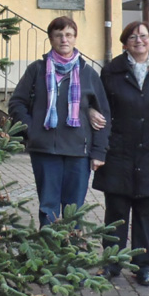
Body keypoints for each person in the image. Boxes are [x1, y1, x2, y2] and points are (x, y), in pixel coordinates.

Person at [89, 21, 149, 286]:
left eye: (143, 36)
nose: (138, 40)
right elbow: (98, 105)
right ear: (124, 42)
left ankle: (144, 266)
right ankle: (111, 263)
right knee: (116, 211)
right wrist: (90, 112)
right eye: (132, 37)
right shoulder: (111, 71)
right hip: (119, 152)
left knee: (147, 213)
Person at [9, 17, 110, 228]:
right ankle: (50, 255)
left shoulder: (88, 73)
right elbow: (17, 102)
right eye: (58, 35)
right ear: (51, 39)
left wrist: (99, 152)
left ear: (75, 38)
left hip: (78, 152)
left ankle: (72, 257)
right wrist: (32, 130)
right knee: (48, 206)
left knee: (74, 209)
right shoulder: (36, 70)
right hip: (45, 150)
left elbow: (103, 115)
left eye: (69, 35)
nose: (64, 39)